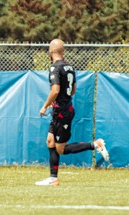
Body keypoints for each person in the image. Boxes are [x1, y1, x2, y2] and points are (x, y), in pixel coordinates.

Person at [35, 39, 109, 186]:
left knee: (60, 149)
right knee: (50, 141)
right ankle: (53, 178)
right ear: (63, 51)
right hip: (62, 109)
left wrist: (45, 105)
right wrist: (57, 102)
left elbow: (55, 90)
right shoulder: (69, 67)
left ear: (51, 51)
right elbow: (73, 90)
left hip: (62, 112)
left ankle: (95, 145)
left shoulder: (54, 68)